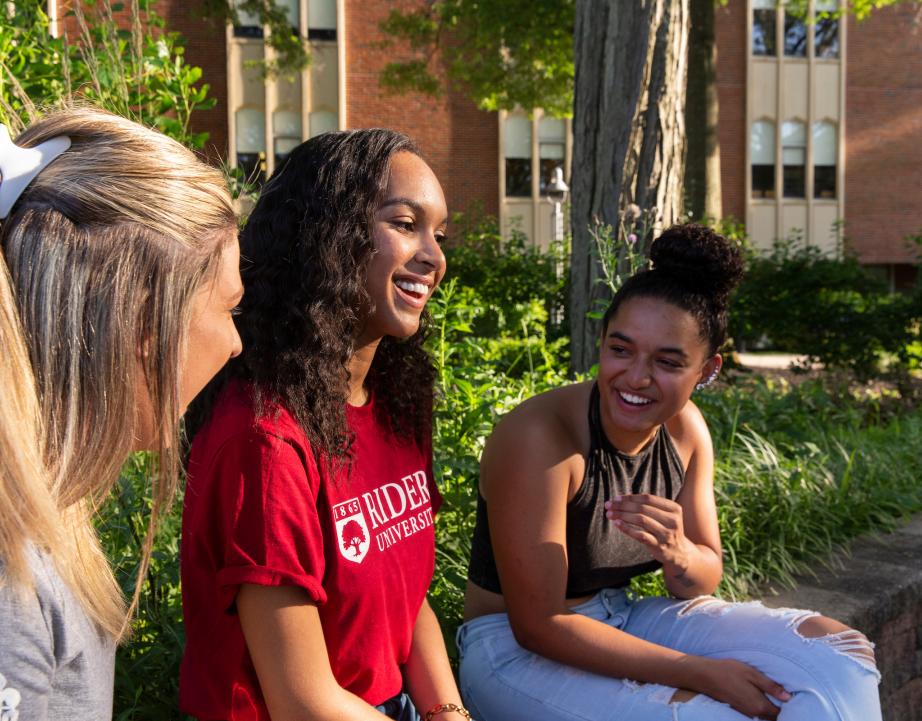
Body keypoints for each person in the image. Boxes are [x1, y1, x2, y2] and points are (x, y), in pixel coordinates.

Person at [459, 224, 882, 721]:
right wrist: (701, 672)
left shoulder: (685, 433)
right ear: (601, 343)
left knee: (841, 654)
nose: (636, 378)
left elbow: (700, 577)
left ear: (707, 370)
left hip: (619, 618)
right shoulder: (540, 438)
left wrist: (678, 552)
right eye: (621, 350)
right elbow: (539, 624)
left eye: (667, 361)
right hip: (510, 652)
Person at [179, 129, 469, 721]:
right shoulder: (263, 440)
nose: (434, 257)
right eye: (405, 224)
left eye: (437, 234)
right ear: (328, 235)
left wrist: (448, 712)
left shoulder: (394, 402)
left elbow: (405, 602)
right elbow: (302, 701)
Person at [0, 108, 243, 720]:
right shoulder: (12, 591)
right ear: (144, 326)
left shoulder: (43, 531)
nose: (237, 343)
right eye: (229, 308)